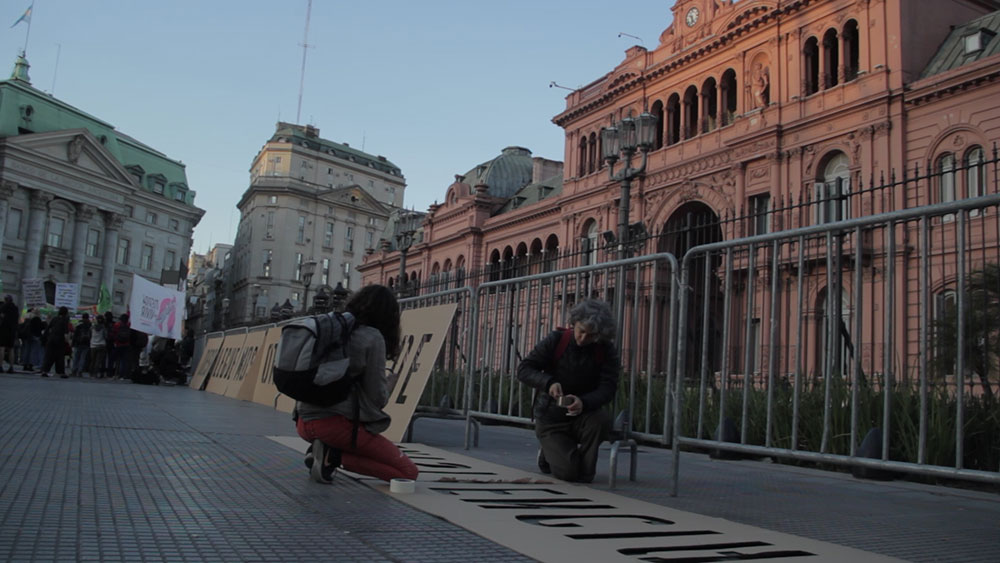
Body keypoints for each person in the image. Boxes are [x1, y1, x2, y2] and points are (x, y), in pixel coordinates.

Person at [294, 284, 418, 484]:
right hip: (335, 427)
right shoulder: (372, 337)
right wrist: (390, 385)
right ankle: (332, 456)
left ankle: (325, 450)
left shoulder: (331, 329)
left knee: (364, 444)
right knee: (407, 473)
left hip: (302, 421)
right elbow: (377, 399)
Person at [516, 299, 620, 483]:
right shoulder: (556, 340)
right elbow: (524, 369)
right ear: (574, 324)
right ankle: (552, 454)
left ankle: (583, 469)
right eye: (581, 332)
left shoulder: (605, 350)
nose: (583, 339)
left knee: (600, 421)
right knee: (568, 474)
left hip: (584, 415)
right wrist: (548, 383)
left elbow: (609, 386)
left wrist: (584, 402)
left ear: (599, 335)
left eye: (590, 336)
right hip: (551, 418)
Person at [40, 307, 73, 378]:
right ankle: (60, 372)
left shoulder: (55, 318)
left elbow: (48, 328)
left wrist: (45, 338)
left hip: (51, 339)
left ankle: (45, 371)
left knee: (49, 356)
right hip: (59, 340)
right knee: (60, 356)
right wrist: (68, 342)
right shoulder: (65, 319)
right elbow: (66, 332)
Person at [0, 295, 19, 373]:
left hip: (4, 329)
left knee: (2, 348)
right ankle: (11, 367)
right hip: (12, 330)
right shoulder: (15, 308)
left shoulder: (3, 307)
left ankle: (0, 366)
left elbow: (1, 316)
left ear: (5, 300)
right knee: (11, 349)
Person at [71, 313, 92, 377]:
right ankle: (80, 371)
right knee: (83, 358)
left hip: (78, 343)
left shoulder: (79, 325)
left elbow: (75, 335)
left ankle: (74, 371)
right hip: (86, 344)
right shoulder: (90, 325)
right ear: (88, 318)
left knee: (76, 358)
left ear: (82, 318)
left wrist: (73, 343)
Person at [110, 314, 131, 380]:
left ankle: (113, 374)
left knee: (113, 359)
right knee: (124, 361)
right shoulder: (129, 325)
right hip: (126, 345)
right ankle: (122, 375)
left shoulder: (117, 325)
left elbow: (113, 334)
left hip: (118, 344)